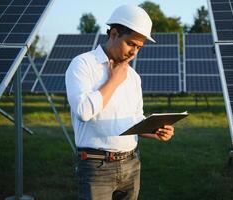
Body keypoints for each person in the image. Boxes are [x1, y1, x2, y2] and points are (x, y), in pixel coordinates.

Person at [65, 4, 175, 200]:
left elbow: (134, 119)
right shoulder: (82, 64)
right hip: (96, 166)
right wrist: (114, 80)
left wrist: (155, 130)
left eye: (139, 47)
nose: (134, 52)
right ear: (114, 33)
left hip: (131, 163)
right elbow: (83, 111)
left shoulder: (133, 77)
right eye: (131, 44)